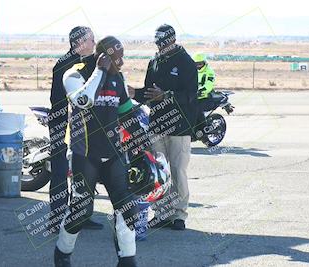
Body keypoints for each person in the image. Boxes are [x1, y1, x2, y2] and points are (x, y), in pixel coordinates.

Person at [54, 36, 140, 267]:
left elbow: (127, 115)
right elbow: (83, 100)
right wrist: (100, 72)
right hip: (85, 155)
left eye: (123, 58)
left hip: (113, 154)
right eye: (116, 59)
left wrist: (144, 148)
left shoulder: (118, 79)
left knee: (127, 208)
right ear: (101, 57)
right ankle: (62, 253)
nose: (121, 64)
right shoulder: (74, 74)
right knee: (81, 211)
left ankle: (127, 260)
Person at [128, 24, 198, 230]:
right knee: (158, 171)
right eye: (158, 42)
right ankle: (161, 213)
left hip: (180, 127)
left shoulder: (186, 63)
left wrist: (166, 96)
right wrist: (134, 93)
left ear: (173, 40)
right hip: (157, 125)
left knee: (177, 171)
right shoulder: (154, 62)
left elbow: (192, 96)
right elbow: (150, 93)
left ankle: (179, 215)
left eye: (164, 42)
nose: (161, 46)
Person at [48, 26, 103, 233]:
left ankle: (81, 214)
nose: (94, 44)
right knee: (61, 171)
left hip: (85, 126)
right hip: (63, 123)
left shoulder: (91, 63)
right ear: (79, 43)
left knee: (84, 170)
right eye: (91, 40)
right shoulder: (66, 65)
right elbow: (62, 99)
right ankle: (57, 220)